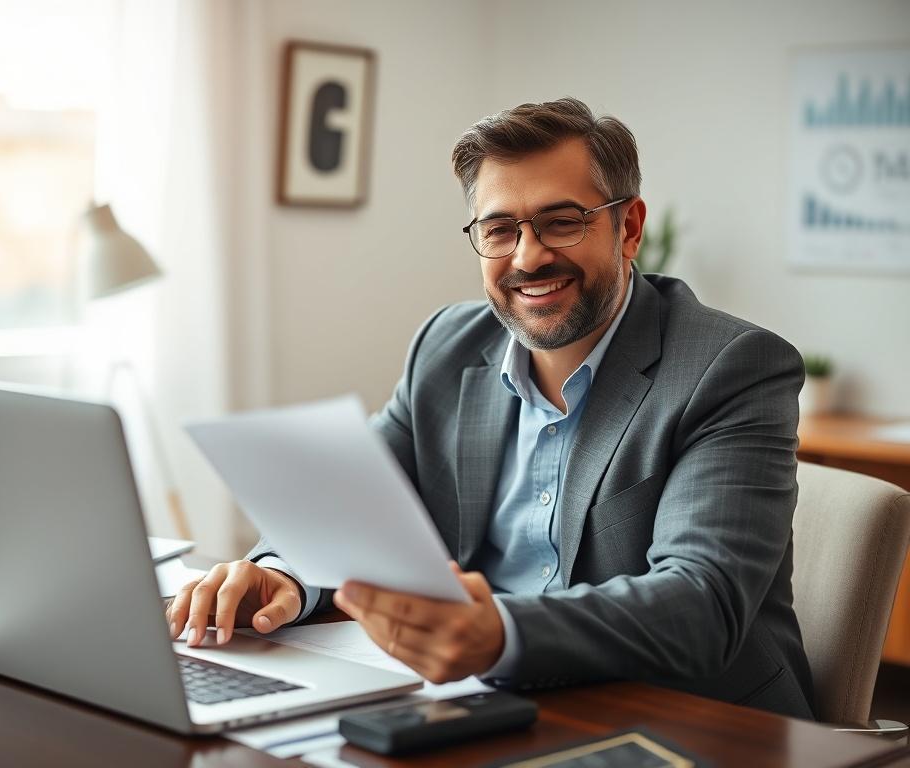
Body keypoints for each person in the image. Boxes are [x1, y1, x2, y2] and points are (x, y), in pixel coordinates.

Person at [166, 97, 815, 719]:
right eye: (500, 230)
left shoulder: (731, 368)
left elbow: (701, 606)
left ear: (630, 227)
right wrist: (283, 574)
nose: (529, 257)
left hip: (691, 722)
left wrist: (501, 632)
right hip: (493, 708)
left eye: (562, 221)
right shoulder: (446, 348)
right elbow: (352, 502)